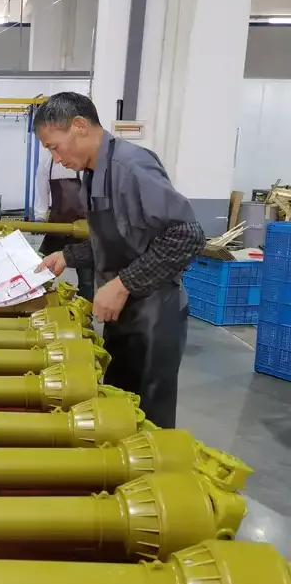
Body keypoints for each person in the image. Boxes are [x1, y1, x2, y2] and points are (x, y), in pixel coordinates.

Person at [34, 92, 205, 428]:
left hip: (154, 316)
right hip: (122, 313)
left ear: (79, 126)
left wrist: (123, 284)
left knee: (148, 420)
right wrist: (66, 256)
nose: (56, 158)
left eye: (55, 147)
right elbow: (119, 239)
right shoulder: (92, 173)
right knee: (119, 409)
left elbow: (188, 236)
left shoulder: (131, 166)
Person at [35, 147, 94, 301]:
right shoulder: (47, 162)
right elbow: (41, 192)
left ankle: (85, 309)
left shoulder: (81, 162)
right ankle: (37, 304)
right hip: (57, 226)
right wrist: (40, 216)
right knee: (43, 272)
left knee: (87, 280)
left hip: (82, 228)